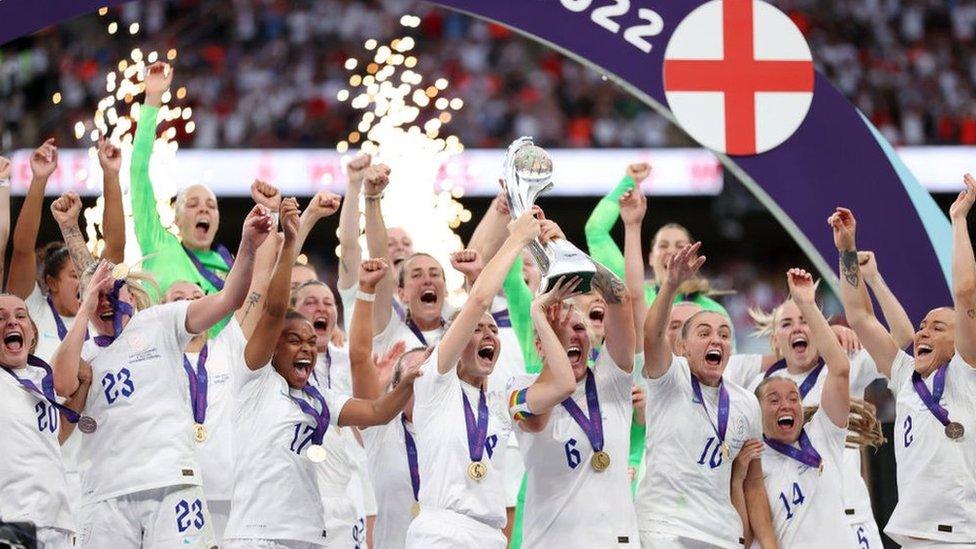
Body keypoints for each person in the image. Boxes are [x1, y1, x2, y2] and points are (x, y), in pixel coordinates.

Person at [49, 198, 272, 548]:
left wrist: (246, 245)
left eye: (112, 294)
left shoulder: (160, 321)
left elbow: (229, 299)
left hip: (172, 482)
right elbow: (61, 384)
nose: (104, 303)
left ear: (132, 294)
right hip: (106, 494)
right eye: (94, 299)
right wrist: (84, 309)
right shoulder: (83, 351)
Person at [223, 200, 421, 548]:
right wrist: (289, 242)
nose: (305, 349)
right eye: (294, 340)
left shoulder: (319, 398)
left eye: (311, 343)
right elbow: (272, 308)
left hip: (311, 534)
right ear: (271, 346)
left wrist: (408, 382)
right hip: (257, 535)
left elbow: (378, 412)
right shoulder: (253, 378)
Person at [724, 255, 909, 547]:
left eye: (804, 321)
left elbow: (901, 337)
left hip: (849, 513)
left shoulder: (845, 361)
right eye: (786, 323)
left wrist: (873, 279)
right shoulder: (756, 385)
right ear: (775, 339)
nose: (797, 328)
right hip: (787, 517)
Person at [834, 195, 976, 547]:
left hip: (960, 535)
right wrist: (847, 251)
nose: (923, 332)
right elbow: (860, 317)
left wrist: (958, 219)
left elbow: (966, 291)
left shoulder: (967, 370)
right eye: (923, 325)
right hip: (911, 535)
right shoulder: (907, 375)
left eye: (938, 327)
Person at [405, 212, 545, 548]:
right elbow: (480, 299)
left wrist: (542, 311)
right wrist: (517, 239)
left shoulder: (499, 396)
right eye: (477, 328)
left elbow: (562, 387)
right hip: (441, 533)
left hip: (491, 536)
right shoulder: (433, 381)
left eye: (493, 329)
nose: (488, 335)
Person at [637, 242, 776, 548]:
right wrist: (672, 284)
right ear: (682, 347)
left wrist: (767, 544)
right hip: (665, 527)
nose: (716, 339)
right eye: (704, 333)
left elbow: (753, 483)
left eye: (724, 334)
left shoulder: (745, 402)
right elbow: (651, 335)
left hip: (722, 532)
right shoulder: (669, 379)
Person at [508, 256, 639, 547]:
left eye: (579, 328)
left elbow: (620, 297)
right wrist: (539, 315)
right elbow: (559, 390)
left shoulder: (612, 379)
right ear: (541, 345)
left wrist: (566, 251)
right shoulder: (518, 389)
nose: (571, 334)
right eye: (559, 329)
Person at [130, 62, 264, 337]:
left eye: (210, 206)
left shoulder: (232, 264)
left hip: (216, 373)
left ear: (216, 220)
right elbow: (138, 173)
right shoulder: (157, 242)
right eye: (191, 204)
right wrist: (153, 98)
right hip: (162, 359)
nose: (203, 208)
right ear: (175, 218)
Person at [737, 268, 856, 548]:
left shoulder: (822, 434)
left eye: (793, 397)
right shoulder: (754, 457)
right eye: (774, 400)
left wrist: (808, 305)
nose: (786, 405)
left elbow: (839, 367)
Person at [162, 280, 249, 544]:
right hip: (173, 493)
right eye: (178, 298)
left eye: (198, 296)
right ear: (160, 310)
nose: (190, 303)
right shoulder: (154, 358)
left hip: (229, 495)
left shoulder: (230, 347)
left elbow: (257, 287)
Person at [0, 294, 86, 549]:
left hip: (57, 521)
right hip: (10, 518)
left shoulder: (41, 378)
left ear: (32, 332)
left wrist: (83, 387)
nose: (12, 322)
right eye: (1, 318)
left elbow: (53, 435)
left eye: (20, 315)